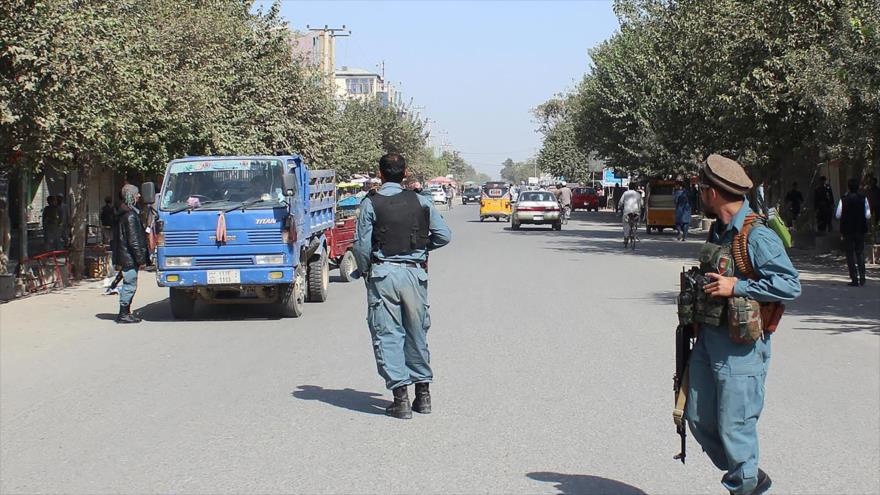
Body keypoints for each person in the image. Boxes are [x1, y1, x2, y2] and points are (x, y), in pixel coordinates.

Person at [686, 154, 801, 495]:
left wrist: (737, 286)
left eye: (701, 189)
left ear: (713, 193)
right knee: (697, 417)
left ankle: (746, 482)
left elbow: (790, 285)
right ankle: (747, 472)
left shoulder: (756, 236)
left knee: (735, 427)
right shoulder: (721, 230)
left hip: (742, 348)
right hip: (709, 339)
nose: (700, 195)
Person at [352, 153, 452, 419]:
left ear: (380, 173)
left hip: (384, 275)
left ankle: (401, 400)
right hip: (414, 275)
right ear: (405, 172)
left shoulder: (371, 203)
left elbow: (361, 246)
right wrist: (419, 249)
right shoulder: (422, 201)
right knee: (417, 332)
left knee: (388, 334)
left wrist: (365, 272)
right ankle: (424, 396)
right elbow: (444, 236)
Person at [113, 184, 149, 324]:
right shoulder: (130, 216)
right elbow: (134, 242)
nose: (139, 196)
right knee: (130, 284)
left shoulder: (125, 213)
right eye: (136, 194)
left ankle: (126, 312)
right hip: (128, 258)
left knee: (129, 283)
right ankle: (123, 314)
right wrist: (141, 260)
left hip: (124, 256)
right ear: (131, 196)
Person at [836, 177, 870, 287]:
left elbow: (838, 215)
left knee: (850, 254)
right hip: (860, 230)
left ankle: (854, 279)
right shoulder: (863, 199)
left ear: (848, 187)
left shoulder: (844, 199)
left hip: (847, 230)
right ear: (858, 187)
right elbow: (868, 215)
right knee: (860, 253)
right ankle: (863, 277)